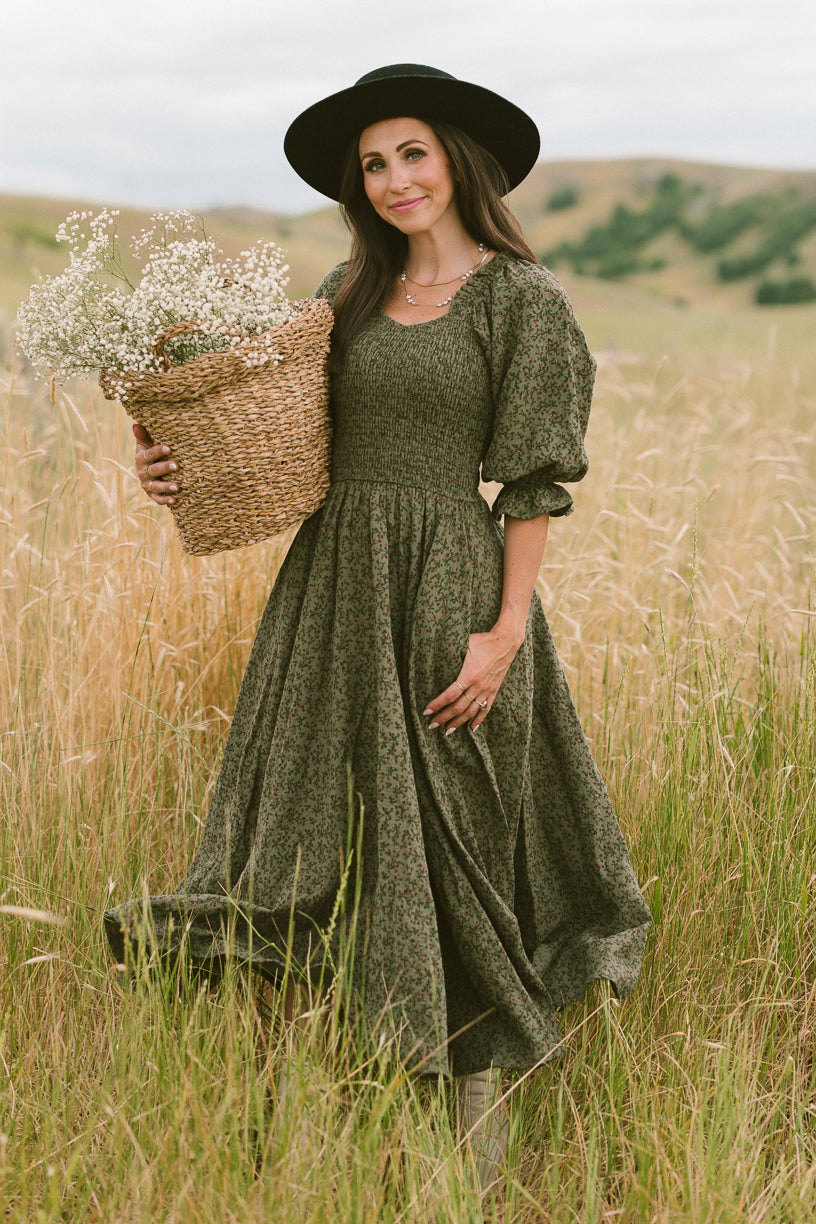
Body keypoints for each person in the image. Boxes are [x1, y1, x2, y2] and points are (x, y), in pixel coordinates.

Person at [106, 64, 652, 1191]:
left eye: (411, 151)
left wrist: (503, 634)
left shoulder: (519, 300)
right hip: (330, 596)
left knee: (459, 851)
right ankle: (333, 1128)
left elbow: (539, 483)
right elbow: (270, 435)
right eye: (373, 163)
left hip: (452, 592)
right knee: (329, 837)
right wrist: (169, 462)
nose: (396, 178)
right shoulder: (343, 291)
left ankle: (475, 1170)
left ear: (457, 156)